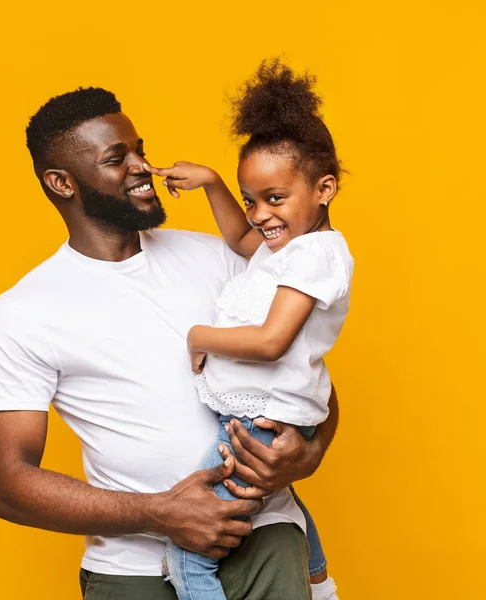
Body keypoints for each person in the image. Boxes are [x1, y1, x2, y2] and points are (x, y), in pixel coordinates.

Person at [0, 85, 340, 599]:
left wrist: (309, 453)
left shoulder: (221, 259)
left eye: (141, 149)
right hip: (131, 570)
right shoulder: (24, 312)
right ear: (62, 183)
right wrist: (160, 514)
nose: (143, 166)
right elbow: (8, 483)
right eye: (117, 158)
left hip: (265, 539)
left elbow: (302, 374)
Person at [144, 59, 351, 600]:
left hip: (259, 418)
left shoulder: (314, 257)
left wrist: (199, 336)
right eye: (250, 200)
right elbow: (241, 242)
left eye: (274, 198)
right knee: (268, 491)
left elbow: (269, 341)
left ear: (324, 187)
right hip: (262, 413)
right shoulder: (290, 246)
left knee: (188, 558)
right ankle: (318, 578)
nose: (260, 215)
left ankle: (313, 579)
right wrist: (213, 182)